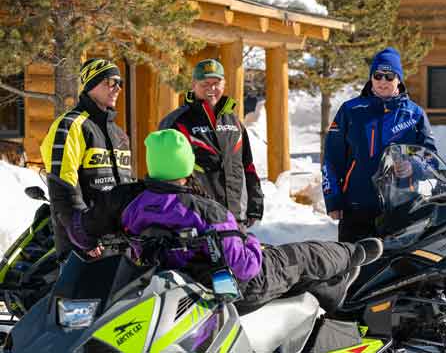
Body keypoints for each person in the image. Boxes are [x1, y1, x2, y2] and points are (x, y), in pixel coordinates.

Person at [120, 129, 384, 314]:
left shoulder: (134, 208)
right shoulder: (206, 210)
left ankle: (332, 291)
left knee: (294, 269)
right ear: (186, 166)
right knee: (299, 256)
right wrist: (253, 244)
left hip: (180, 288)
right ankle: (353, 253)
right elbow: (245, 266)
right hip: (234, 289)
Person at [322, 47, 437, 242]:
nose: (383, 81)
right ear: (371, 77)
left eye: (389, 76)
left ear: (398, 79)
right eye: (378, 75)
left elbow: (431, 157)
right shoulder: (351, 110)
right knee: (353, 268)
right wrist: (333, 200)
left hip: (402, 207)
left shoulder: (414, 114)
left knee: (399, 270)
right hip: (357, 207)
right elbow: (331, 160)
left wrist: (413, 165)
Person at [40, 58, 133, 260]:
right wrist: (82, 235)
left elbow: (126, 187)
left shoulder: (119, 135)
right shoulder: (70, 125)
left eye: (120, 83)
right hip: (85, 248)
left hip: (122, 247)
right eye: (110, 82)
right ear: (90, 85)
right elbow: (63, 188)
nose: (117, 88)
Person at [160, 59, 263, 228]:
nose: (211, 89)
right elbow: (165, 174)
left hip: (235, 218)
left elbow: (248, 166)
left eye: (216, 83)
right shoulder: (177, 122)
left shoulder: (235, 122)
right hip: (197, 217)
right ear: (193, 84)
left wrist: (255, 205)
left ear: (224, 83)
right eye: (205, 83)